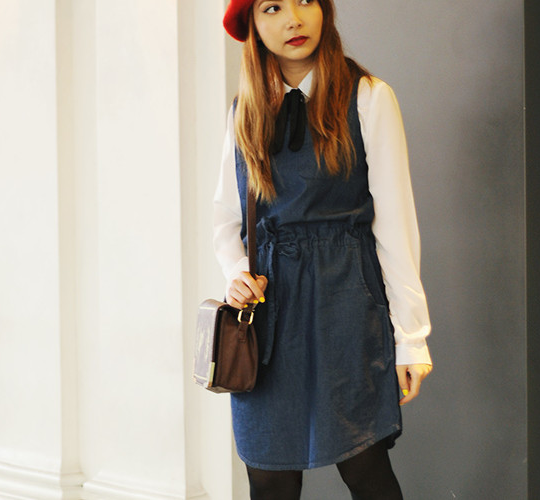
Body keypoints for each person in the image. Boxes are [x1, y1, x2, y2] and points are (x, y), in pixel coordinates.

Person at [213, 1, 433, 498]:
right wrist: (235, 272)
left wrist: (411, 338)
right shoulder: (244, 110)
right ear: (253, 26)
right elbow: (226, 216)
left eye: (305, 0)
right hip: (270, 311)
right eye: (272, 7)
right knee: (269, 477)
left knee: (364, 465)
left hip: (346, 301)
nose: (293, 18)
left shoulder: (369, 97)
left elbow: (395, 225)